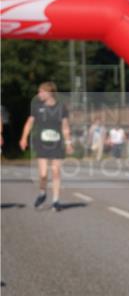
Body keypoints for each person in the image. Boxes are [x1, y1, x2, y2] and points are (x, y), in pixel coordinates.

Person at [19, 81, 73, 211]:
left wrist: (68, 143)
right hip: (42, 143)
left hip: (57, 144)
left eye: (42, 91)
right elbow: (29, 123)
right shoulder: (37, 107)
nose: (39, 94)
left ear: (50, 93)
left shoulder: (61, 108)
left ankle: (56, 201)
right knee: (43, 174)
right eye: (39, 91)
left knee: (55, 172)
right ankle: (42, 193)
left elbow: (65, 126)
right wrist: (24, 137)